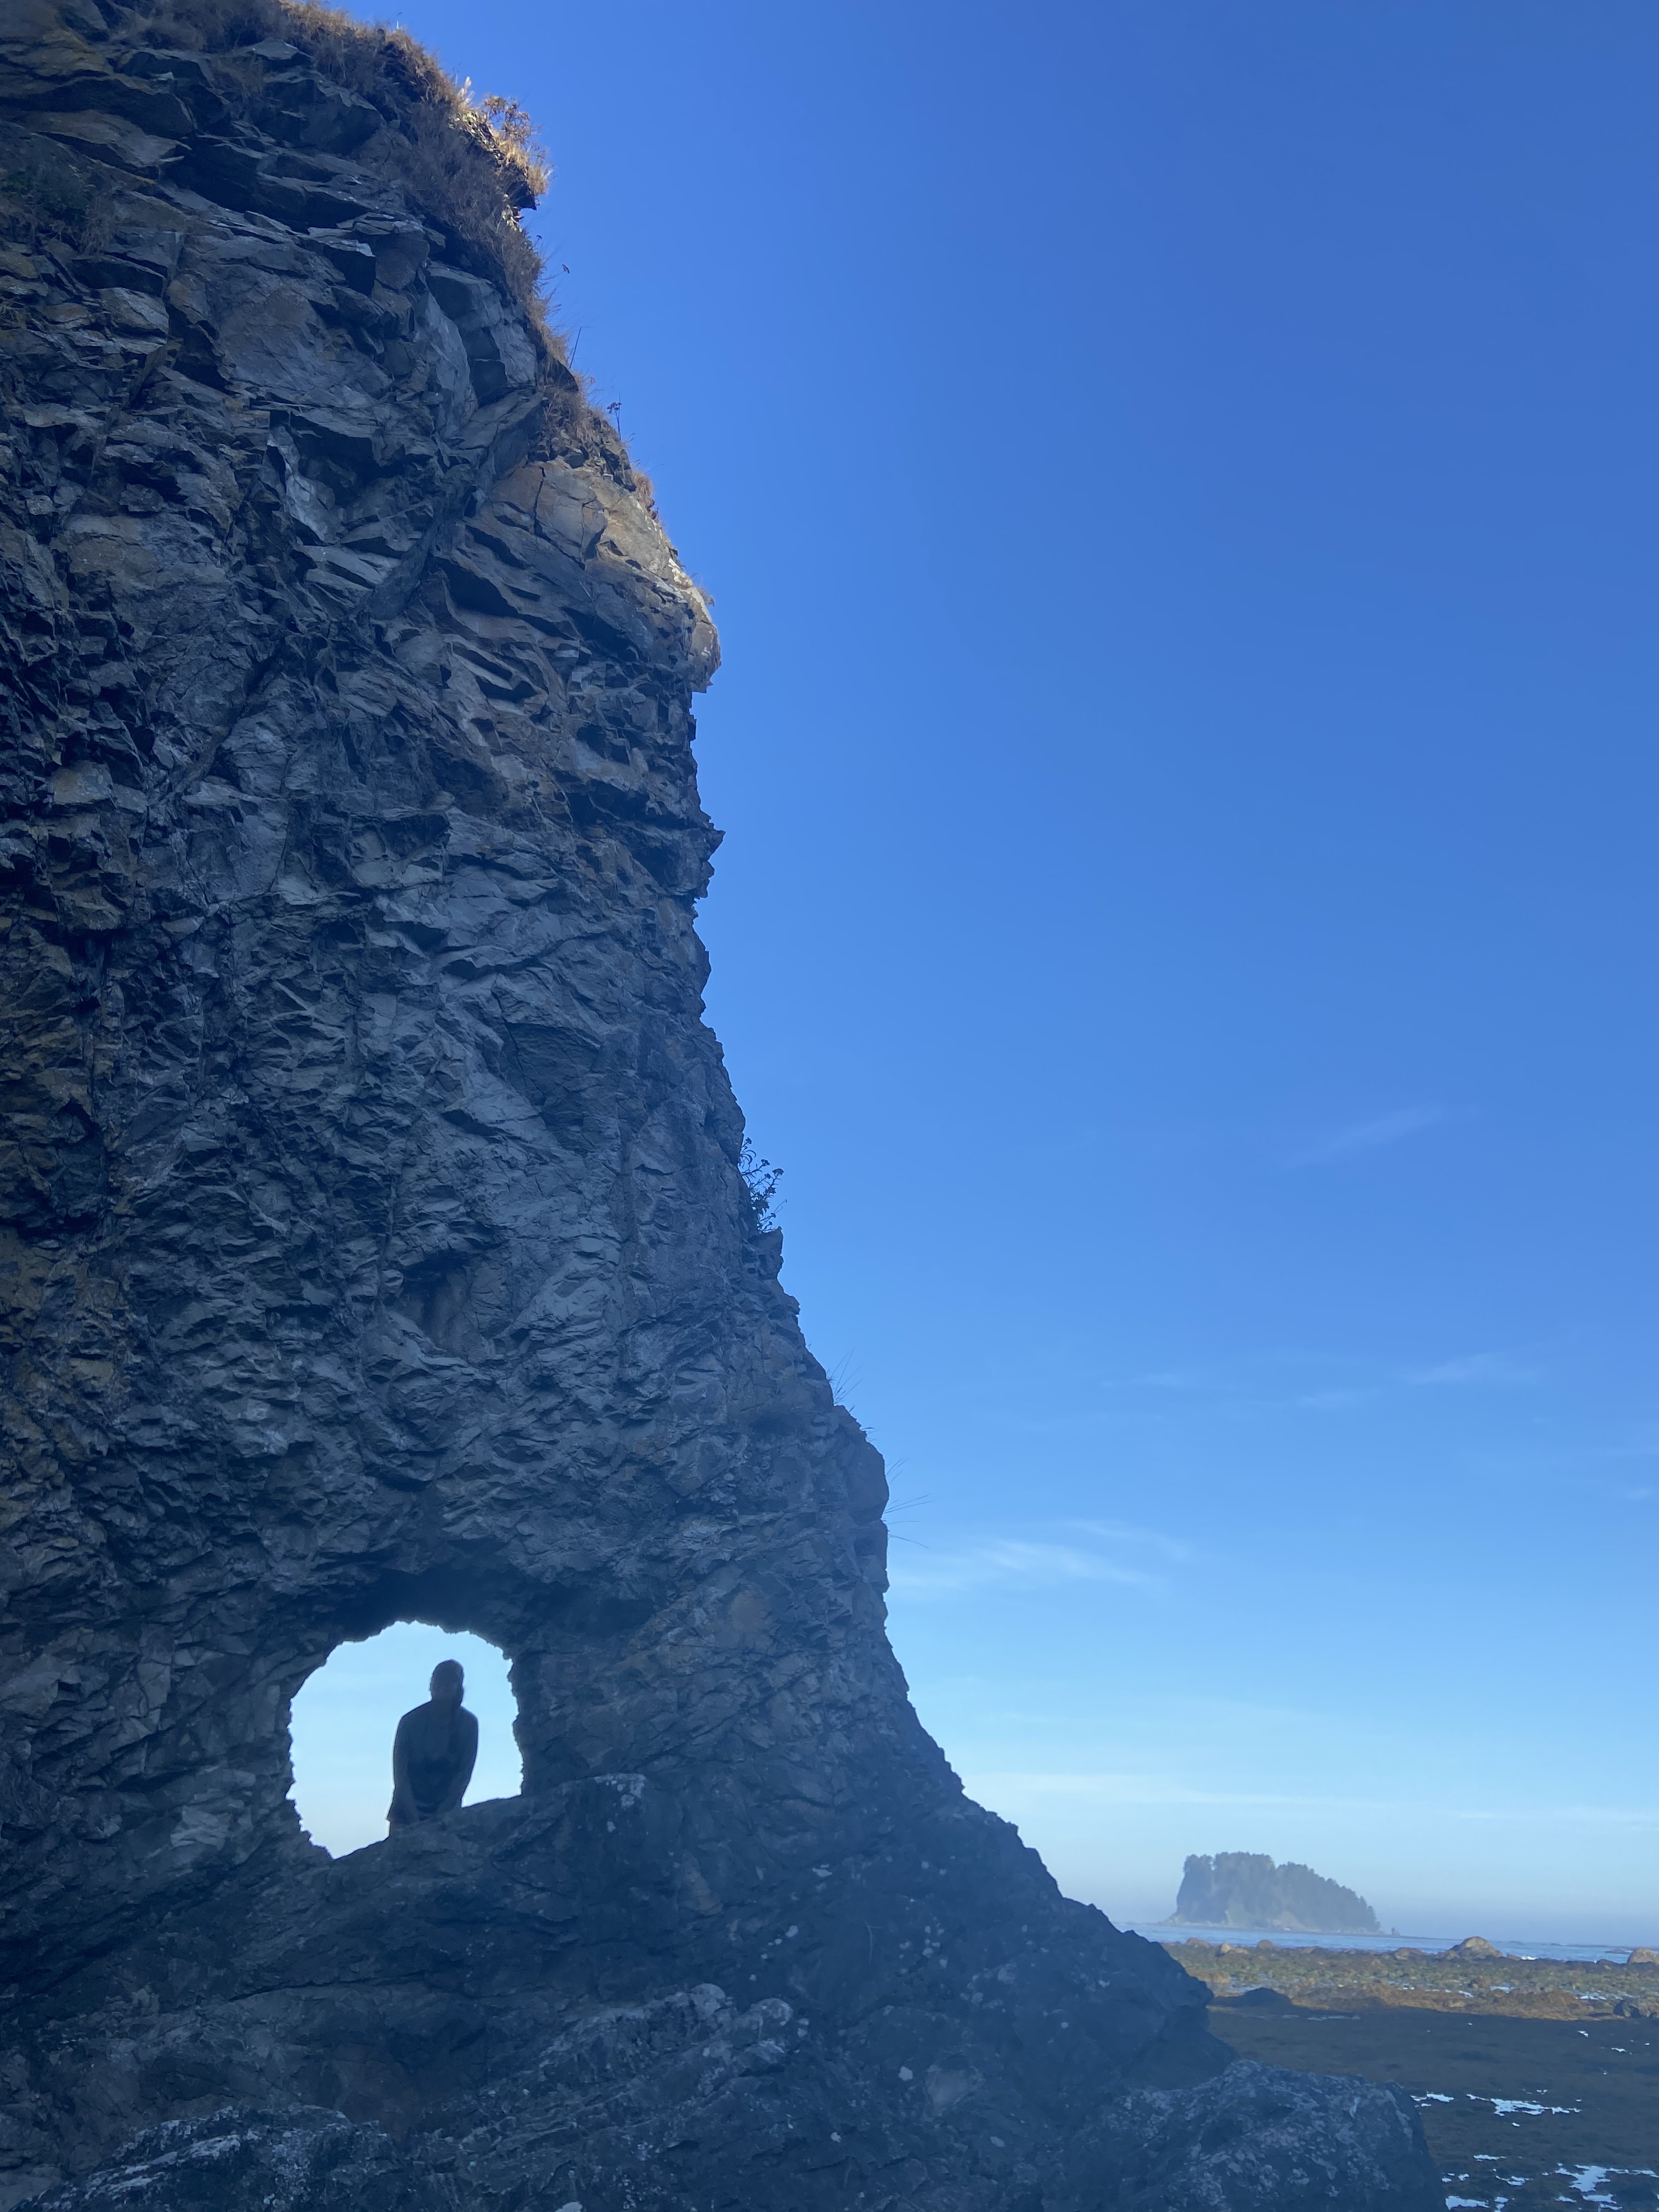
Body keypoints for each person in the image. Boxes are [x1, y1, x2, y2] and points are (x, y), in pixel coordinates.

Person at [387, 1659, 478, 1832]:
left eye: (448, 1681)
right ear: (431, 1684)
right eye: (438, 1680)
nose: (442, 1685)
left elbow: (462, 1777)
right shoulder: (409, 1722)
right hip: (406, 1811)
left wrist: (440, 1818)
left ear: (458, 1688)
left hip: (446, 1814)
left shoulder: (469, 1725)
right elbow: (401, 1776)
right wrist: (414, 1820)